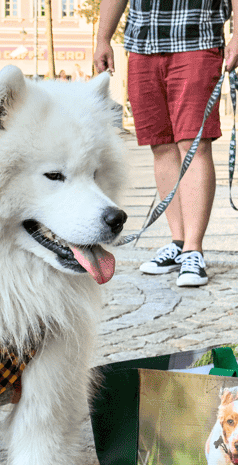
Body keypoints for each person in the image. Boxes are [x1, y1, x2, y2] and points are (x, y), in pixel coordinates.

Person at [95, 0, 238, 287]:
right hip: (142, 44)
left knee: (193, 145)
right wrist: (103, 38)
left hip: (197, 40)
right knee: (160, 145)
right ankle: (178, 241)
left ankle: (193, 250)